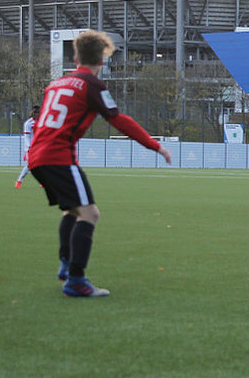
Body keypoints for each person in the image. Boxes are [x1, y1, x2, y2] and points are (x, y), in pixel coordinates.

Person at [28, 30, 172, 297]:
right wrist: (156, 146)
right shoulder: (91, 85)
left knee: (72, 211)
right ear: (103, 60)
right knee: (90, 214)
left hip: (38, 155)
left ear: (75, 56)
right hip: (58, 156)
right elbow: (119, 120)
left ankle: (66, 264)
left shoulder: (56, 84)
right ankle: (76, 279)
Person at [15, 106, 41, 189]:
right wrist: (29, 147)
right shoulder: (28, 123)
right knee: (30, 165)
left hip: (40, 146)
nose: (38, 115)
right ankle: (19, 181)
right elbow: (27, 137)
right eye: (37, 113)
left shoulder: (42, 121)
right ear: (33, 113)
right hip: (31, 147)